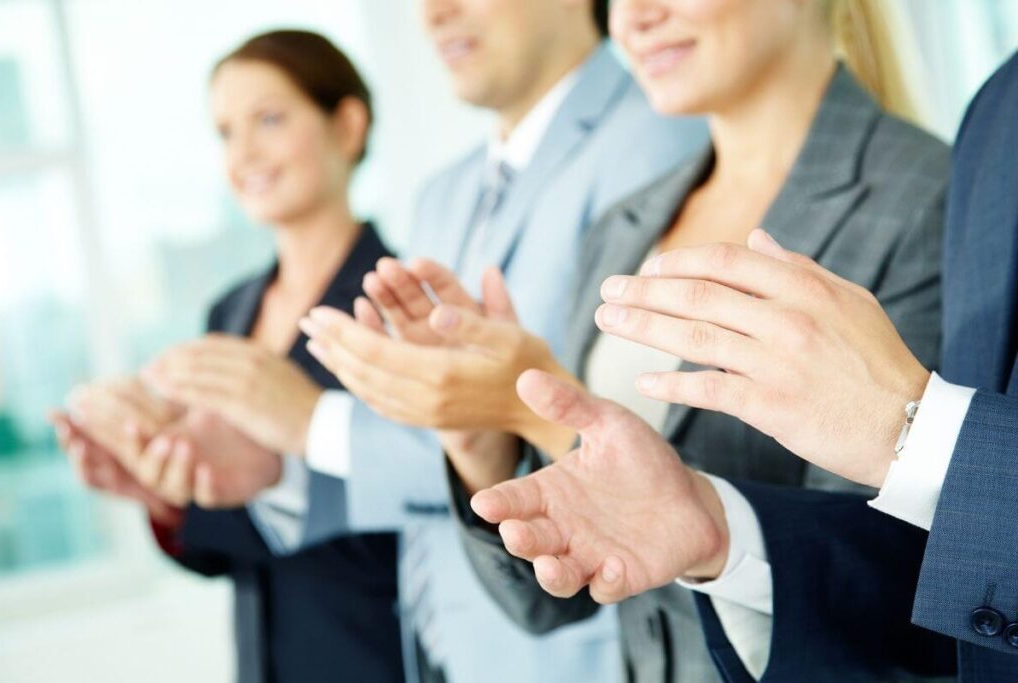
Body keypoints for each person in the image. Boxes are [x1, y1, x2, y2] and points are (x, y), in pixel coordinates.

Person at [302, 0, 955, 680]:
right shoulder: (628, 222)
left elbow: (899, 580)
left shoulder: (925, 199)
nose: (634, 17)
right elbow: (551, 600)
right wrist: (481, 438)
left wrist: (536, 415)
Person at [142, 1, 707, 681]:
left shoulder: (660, 139)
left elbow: (615, 440)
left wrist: (312, 423)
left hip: (579, 646)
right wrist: (270, 475)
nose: (435, 14)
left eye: (268, 119)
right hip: (437, 646)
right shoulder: (444, 193)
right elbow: (439, 443)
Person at [511, 49, 1018, 681]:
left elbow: (931, 575)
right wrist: (718, 528)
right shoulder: (999, 113)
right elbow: (945, 569)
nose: (636, 13)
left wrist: (913, 431)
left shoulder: (923, 185)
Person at [51, 31, 404, 683]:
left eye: (269, 119)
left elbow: (427, 512)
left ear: (347, 125)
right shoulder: (229, 313)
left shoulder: (397, 303)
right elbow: (243, 551)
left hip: (375, 653)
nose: (243, 154)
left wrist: (276, 475)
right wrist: (166, 497)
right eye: (224, 132)